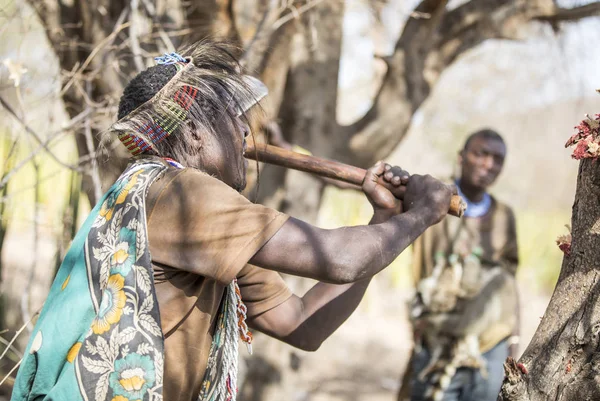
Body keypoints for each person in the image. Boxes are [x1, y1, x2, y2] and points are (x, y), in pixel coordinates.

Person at [11, 41, 454, 401]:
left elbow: (302, 323)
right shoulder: (178, 192)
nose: (246, 133)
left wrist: (384, 217)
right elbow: (338, 258)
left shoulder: (185, 215)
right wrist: (421, 214)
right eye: (233, 117)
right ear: (195, 132)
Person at [401, 129, 519, 401]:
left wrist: (513, 340)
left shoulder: (504, 217)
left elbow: (510, 283)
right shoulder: (431, 202)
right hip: (436, 339)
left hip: (490, 343)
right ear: (461, 157)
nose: (488, 164)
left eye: (498, 159)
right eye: (481, 154)